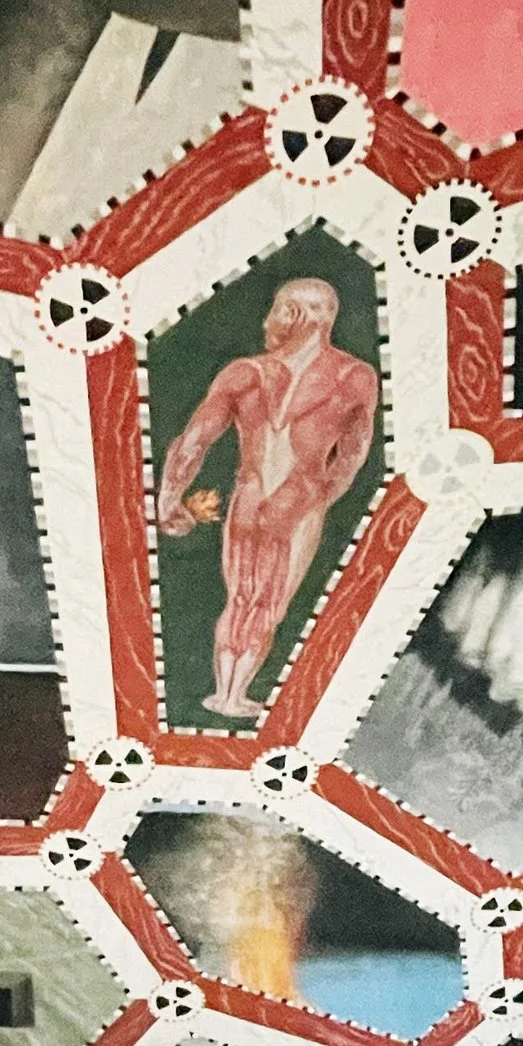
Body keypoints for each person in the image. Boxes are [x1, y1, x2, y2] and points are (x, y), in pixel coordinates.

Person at [155, 275, 378, 722]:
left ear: (295, 316)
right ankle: (235, 696)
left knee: (238, 600)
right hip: (297, 505)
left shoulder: (244, 374)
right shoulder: (355, 379)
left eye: (275, 309)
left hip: (248, 498)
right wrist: (316, 500)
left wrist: (168, 501)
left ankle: (223, 694)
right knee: (268, 607)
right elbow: (351, 458)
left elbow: (193, 443)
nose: (266, 322)